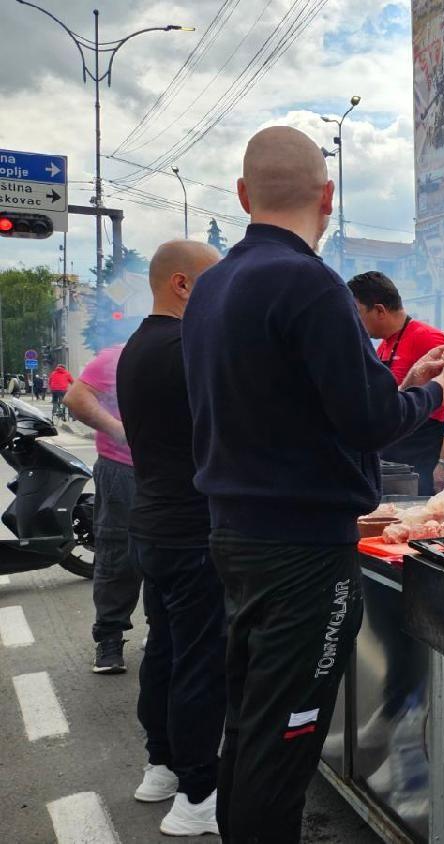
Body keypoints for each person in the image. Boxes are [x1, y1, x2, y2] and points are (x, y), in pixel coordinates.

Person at [181, 125, 444, 841]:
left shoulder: (215, 287)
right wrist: (440, 390)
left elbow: (302, 401)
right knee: (286, 739)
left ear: (243, 195)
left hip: (235, 536)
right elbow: (368, 422)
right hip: (302, 556)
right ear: (328, 196)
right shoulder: (310, 282)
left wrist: (401, 379)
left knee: (252, 720)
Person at [117, 239, 226, 836]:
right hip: (190, 532)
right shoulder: (186, 347)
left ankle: (159, 763)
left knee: (165, 650)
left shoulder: (140, 345)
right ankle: (196, 795)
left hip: (155, 524)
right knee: (200, 664)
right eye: (217, 280)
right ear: (183, 285)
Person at [347, 271, 444, 494]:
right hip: (395, 452)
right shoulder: (383, 345)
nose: (355, 321)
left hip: (424, 452)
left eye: (358, 313)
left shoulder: (428, 338)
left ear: (380, 310)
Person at [62, 342, 138, 675]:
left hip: (178, 471)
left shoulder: (198, 343)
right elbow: (76, 398)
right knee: (118, 554)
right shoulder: (119, 354)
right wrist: (120, 431)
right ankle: (109, 638)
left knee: (174, 553)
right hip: (123, 469)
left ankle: (166, 631)